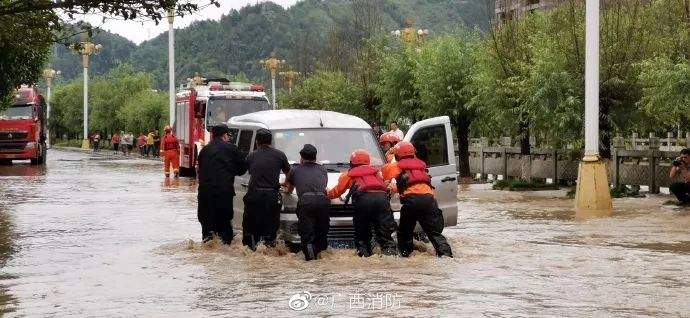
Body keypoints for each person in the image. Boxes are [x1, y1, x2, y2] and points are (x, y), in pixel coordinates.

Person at [383, 141, 453, 258]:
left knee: (404, 232)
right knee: (434, 233)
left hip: (411, 202)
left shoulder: (393, 167)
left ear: (397, 155)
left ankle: (407, 256)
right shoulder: (421, 166)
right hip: (429, 201)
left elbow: (385, 181)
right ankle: (446, 255)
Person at [328, 149, 398, 257]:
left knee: (362, 236)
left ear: (351, 163)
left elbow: (337, 192)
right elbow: (385, 185)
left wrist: (325, 195)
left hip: (364, 201)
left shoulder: (348, 175)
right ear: (368, 162)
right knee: (385, 234)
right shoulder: (377, 173)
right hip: (382, 201)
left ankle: (364, 256)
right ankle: (390, 255)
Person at [197, 124, 247, 244]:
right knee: (224, 225)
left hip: (205, 193)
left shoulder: (204, 150)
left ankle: (208, 246)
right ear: (224, 135)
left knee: (207, 228)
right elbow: (243, 169)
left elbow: (200, 170)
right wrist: (229, 172)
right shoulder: (231, 149)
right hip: (224, 193)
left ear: (213, 135)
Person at [243, 129, 291, 250]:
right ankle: (270, 248)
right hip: (272, 196)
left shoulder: (251, 155)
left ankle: (251, 250)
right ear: (271, 141)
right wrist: (285, 183)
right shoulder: (280, 155)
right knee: (271, 226)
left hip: (254, 195)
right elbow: (289, 172)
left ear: (257, 142)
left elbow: (246, 171)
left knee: (250, 225)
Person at [284, 144, 330, 260]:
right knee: (321, 233)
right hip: (323, 202)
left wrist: (284, 190)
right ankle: (321, 257)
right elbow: (322, 186)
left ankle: (311, 262)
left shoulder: (295, 170)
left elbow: (289, 190)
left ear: (301, 157)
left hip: (306, 202)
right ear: (315, 157)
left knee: (307, 235)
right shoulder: (323, 170)